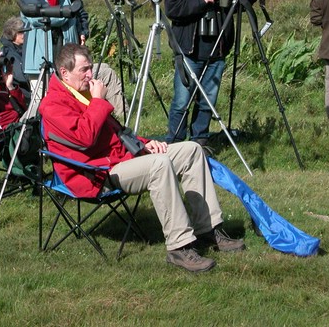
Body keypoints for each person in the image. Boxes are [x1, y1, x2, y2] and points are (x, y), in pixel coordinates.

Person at [39, 44, 245, 273]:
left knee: (191, 150)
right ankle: (180, 247)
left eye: (90, 68)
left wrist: (144, 143)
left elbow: (117, 133)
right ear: (64, 73)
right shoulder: (52, 105)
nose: (90, 75)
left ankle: (208, 230)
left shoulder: (81, 93)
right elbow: (85, 138)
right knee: (159, 164)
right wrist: (98, 101)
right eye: (84, 70)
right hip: (95, 173)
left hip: (118, 159)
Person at [19, 0, 127, 118]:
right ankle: (29, 137)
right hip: (40, 52)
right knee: (42, 100)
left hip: (66, 45)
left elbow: (79, 8)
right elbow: (37, 17)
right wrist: (66, 14)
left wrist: (82, 29)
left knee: (71, 97)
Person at [164, 0, 247, 146]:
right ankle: (175, 143)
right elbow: (173, 9)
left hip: (216, 51)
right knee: (182, 101)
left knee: (207, 101)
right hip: (189, 51)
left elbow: (245, 4)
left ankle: (200, 141)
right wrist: (201, 0)